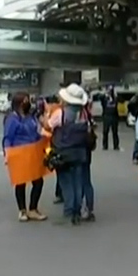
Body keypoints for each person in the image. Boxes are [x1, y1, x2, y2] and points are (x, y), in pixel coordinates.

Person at [48, 84, 95, 224]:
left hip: (64, 151)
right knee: (78, 182)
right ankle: (79, 211)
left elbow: (49, 125)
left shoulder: (60, 113)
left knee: (66, 182)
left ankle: (69, 211)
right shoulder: (84, 113)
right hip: (80, 151)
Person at [3, 92, 47, 222]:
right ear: (19, 103)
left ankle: (33, 209)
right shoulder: (12, 119)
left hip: (33, 152)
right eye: (26, 101)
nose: (28, 103)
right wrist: (7, 153)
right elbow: (7, 137)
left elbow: (37, 132)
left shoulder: (31, 117)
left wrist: (44, 138)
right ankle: (22, 210)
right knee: (21, 182)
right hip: (18, 152)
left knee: (38, 181)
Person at [99, 87, 120, 151]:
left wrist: (116, 96)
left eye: (111, 91)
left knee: (115, 132)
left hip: (114, 116)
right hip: (106, 116)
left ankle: (116, 145)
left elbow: (122, 100)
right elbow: (100, 97)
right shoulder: (104, 98)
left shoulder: (115, 98)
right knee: (105, 131)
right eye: (109, 91)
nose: (110, 92)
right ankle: (105, 145)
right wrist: (105, 94)